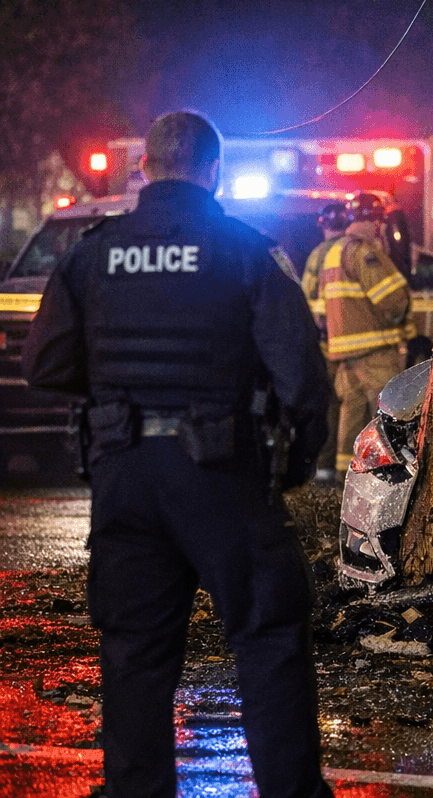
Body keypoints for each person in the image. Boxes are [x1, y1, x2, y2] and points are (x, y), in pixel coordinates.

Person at [21, 111, 333, 798]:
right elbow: (303, 379)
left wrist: (115, 394)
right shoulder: (246, 251)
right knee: (268, 637)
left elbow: (42, 363)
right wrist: (297, 462)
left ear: (144, 169)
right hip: (224, 471)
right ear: (214, 171)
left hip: (124, 473)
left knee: (134, 652)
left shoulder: (93, 252)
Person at [323, 191, 410, 474]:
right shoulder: (365, 252)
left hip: (346, 357)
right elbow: (392, 299)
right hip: (375, 355)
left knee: (351, 420)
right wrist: (401, 315)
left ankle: (343, 479)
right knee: (389, 419)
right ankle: (386, 477)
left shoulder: (334, 252)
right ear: (376, 222)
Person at [300, 202, 349, 482]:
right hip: (354, 347)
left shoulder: (318, 256)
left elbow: (307, 297)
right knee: (351, 406)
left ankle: (325, 468)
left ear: (322, 225)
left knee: (329, 405)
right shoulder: (357, 251)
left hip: (325, 343)